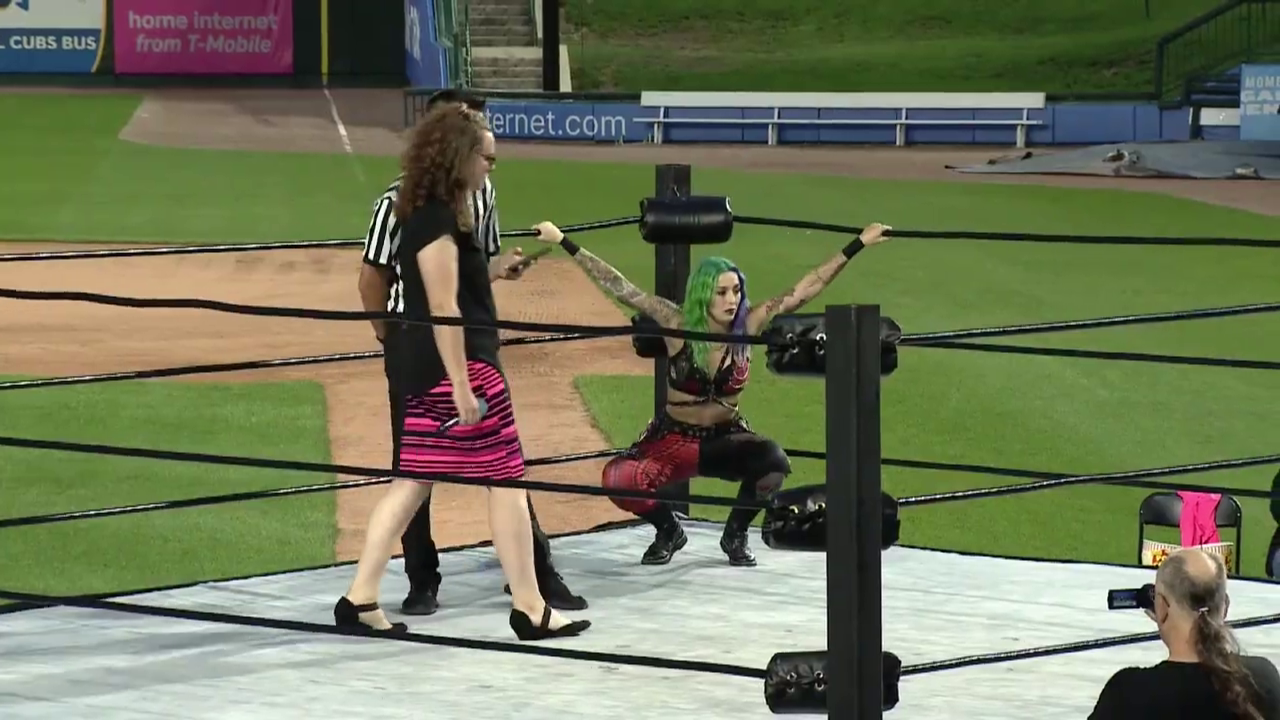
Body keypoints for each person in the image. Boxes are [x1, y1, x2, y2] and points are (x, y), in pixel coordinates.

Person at [336, 104, 590, 642]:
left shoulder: (431, 210)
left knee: (412, 481)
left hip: (428, 364)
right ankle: (530, 606)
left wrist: (492, 270)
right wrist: (461, 384)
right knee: (506, 479)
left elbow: (451, 291)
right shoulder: (437, 218)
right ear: (460, 155)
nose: (492, 167)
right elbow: (443, 306)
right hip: (460, 364)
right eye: (487, 157)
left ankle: (360, 598)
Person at [529, 219, 891, 566]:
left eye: (736, 290)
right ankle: (669, 531)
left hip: (725, 440)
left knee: (773, 463)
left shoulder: (750, 323)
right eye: (721, 292)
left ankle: (735, 534)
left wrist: (858, 243)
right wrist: (563, 241)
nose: (732, 300)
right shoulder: (675, 322)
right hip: (672, 440)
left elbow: (806, 287)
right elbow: (619, 286)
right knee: (619, 479)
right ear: (704, 294)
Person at [1088, 548, 1280, 719]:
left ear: (1161, 606)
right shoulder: (1263, 678)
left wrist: (1165, 617)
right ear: (1225, 607)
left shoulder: (1128, 692)